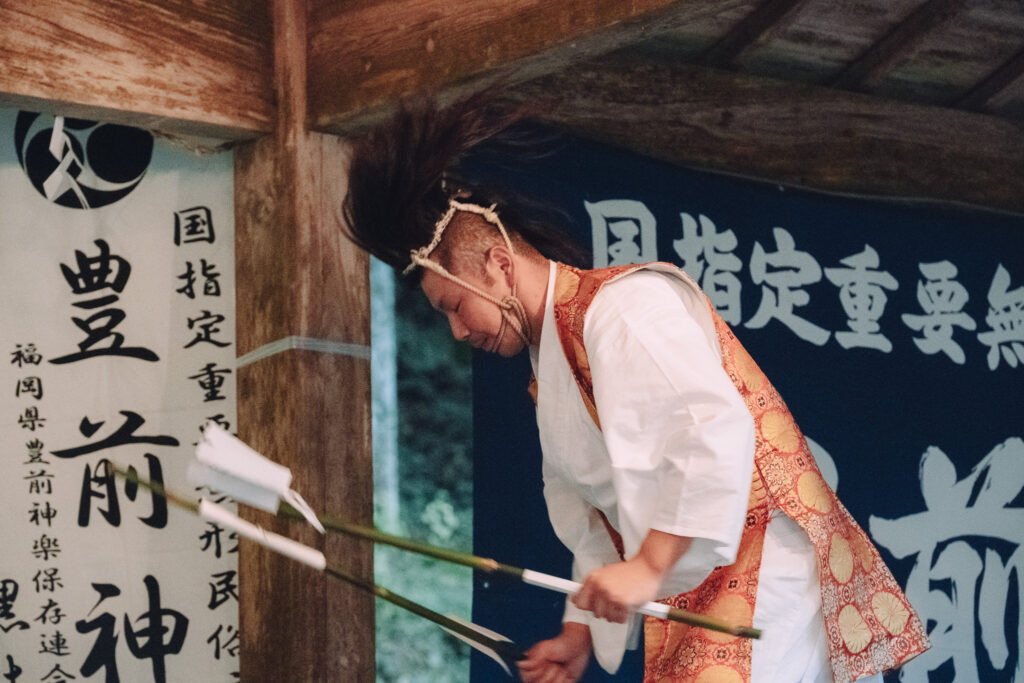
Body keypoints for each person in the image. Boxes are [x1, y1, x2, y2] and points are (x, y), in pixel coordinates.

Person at [341, 94, 930, 683]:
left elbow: (714, 433)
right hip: (699, 588)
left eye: (456, 305)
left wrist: (648, 566)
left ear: (497, 262)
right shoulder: (556, 363)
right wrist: (578, 633)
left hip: (758, 577)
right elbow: (598, 518)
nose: (458, 329)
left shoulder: (621, 311)